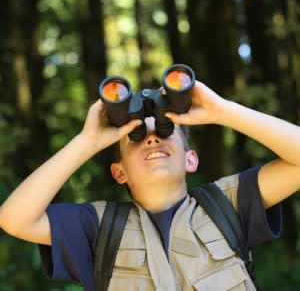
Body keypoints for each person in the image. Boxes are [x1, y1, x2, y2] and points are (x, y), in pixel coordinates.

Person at [0, 80, 299, 291]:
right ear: (119, 173)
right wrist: (87, 141)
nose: (152, 138)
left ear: (190, 160)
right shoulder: (99, 228)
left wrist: (221, 110)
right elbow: (14, 218)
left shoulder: (228, 202)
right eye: (135, 136)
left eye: (166, 131)